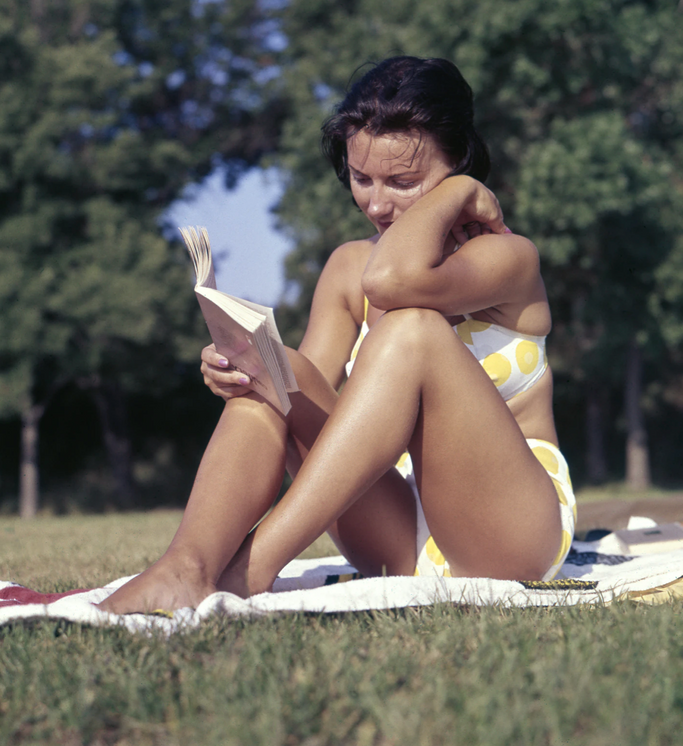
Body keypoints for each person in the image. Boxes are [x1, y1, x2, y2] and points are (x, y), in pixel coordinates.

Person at [99, 56, 576, 614]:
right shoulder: (348, 267)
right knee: (274, 366)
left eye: (404, 181)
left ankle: (246, 572)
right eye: (361, 177)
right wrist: (238, 366)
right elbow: (300, 394)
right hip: (394, 534)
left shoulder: (504, 257)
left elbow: (394, 282)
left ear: (460, 162)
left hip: (509, 533)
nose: (376, 203)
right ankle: (188, 568)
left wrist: (457, 194)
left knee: (411, 331)